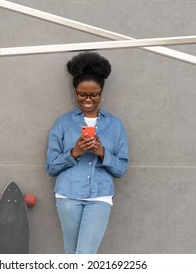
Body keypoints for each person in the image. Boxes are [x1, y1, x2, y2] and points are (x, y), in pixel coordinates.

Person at [45, 52, 129, 254]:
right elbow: (51, 167)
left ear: (102, 93)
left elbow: (121, 169)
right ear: (75, 93)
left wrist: (102, 153)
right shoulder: (63, 123)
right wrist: (74, 152)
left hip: (100, 197)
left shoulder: (115, 125)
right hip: (68, 196)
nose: (88, 100)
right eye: (82, 94)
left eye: (94, 94)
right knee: (71, 253)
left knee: (84, 256)